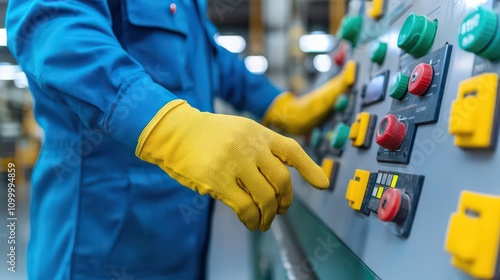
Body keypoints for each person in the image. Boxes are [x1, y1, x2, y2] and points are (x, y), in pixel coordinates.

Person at [6, 0, 355, 279]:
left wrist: (277, 103)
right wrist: (169, 127)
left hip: (177, 241)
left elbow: (209, 57)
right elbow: (53, 24)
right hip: (100, 239)